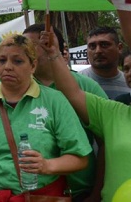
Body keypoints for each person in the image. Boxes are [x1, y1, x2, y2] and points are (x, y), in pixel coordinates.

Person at [0, 34, 92, 201]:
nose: (8, 67)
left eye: (17, 61)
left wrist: (47, 165)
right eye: (2, 60)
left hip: (41, 197)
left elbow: (80, 158)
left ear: (33, 66)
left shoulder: (54, 101)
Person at [40, 29, 131, 202]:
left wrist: (123, 3)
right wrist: (53, 53)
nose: (130, 73)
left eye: (105, 44)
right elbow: (72, 92)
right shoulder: (113, 112)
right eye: (126, 68)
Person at [23, 23, 108, 201]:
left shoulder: (87, 86)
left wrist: (97, 193)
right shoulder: (18, 90)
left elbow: (106, 143)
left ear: (52, 47)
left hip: (82, 193)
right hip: (37, 194)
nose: (24, 52)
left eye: (31, 47)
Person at [79, 26, 131, 100]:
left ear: (119, 48)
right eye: (92, 46)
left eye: (104, 45)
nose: (98, 51)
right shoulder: (75, 82)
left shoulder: (128, 82)